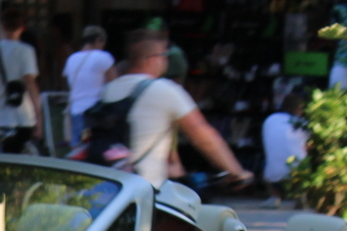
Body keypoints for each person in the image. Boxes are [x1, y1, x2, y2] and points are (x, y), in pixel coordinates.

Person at [88, 32, 247, 186]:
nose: (166, 61)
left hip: (110, 183)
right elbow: (203, 135)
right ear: (152, 59)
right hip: (145, 188)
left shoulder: (109, 89)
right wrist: (236, 171)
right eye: (165, 56)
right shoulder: (165, 90)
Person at [0, 7, 41, 152]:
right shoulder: (26, 51)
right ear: (22, 28)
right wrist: (39, 115)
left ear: (2, 26)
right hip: (22, 115)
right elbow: (30, 83)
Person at [62, 26, 113, 146]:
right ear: (98, 40)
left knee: (78, 149)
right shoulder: (103, 57)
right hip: (96, 113)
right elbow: (113, 84)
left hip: (75, 111)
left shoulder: (71, 59)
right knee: (96, 151)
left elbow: (66, 83)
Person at [261, 87, 311, 187]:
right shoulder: (303, 123)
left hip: (271, 175)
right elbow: (308, 146)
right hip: (297, 173)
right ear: (299, 108)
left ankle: (274, 196)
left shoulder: (271, 119)